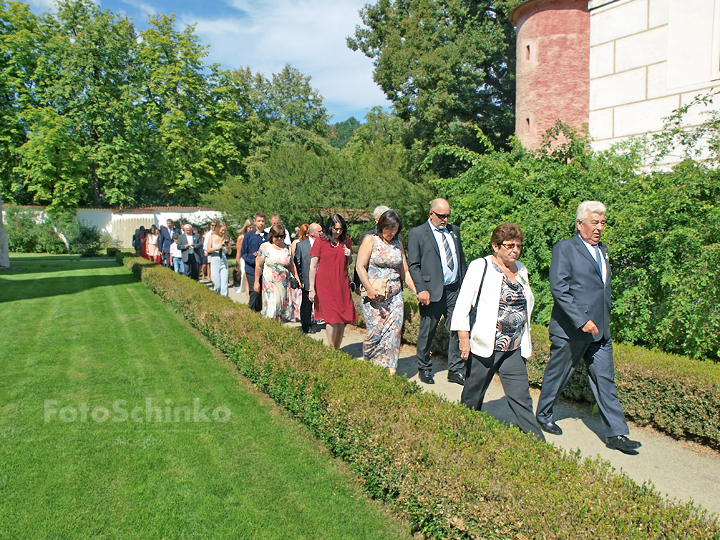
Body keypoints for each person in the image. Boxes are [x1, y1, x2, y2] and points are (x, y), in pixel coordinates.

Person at [536, 201, 642, 454]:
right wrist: (582, 320)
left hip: (601, 332)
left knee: (606, 381)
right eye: (594, 222)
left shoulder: (603, 250)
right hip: (572, 329)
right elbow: (559, 289)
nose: (599, 228)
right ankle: (543, 414)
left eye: (603, 223)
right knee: (558, 374)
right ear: (579, 223)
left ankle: (616, 434)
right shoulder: (565, 249)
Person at [450, 223, 545, 440]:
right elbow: (463, 304)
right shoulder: (480, 266)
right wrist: (464, 339)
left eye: (518, 246)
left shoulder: (521, 269)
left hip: (513, 347)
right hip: (485, 345)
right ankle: (462, 436)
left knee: (521, 398)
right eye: (509, 245)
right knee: (473, 395)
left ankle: (538, 444)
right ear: (495, 246)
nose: (515, 250)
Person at [407, 198, 467, 385]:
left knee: (457, 329)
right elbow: (413, 265)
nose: (445, 220)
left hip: (454, 290)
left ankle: (455, 370)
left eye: (448, 215)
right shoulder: (417, 233)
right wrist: (421, 289)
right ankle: (424, 368)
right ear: (431, 213)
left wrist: (465, 286)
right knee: (427, 331)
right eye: (441, 216)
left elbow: (460, 260)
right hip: (431, 291)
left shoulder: (453, 231)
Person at [356, 210, 416, 375]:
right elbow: (360, 266)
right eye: (388, 229)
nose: (391, 233)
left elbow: (404, 271)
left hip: (395, 296)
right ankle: (370, 360)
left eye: (395, 229)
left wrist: (415, 289)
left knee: (394, 332)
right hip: (374, 296)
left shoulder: (398, 243)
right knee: (375, 333)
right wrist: (368, 288)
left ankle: (390, 368)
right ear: (381, 225)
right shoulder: (371, 240)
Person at [309, 214, 357, 349]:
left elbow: (348, 262)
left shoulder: (345, 240)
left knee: (342, 319)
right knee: (331, 317)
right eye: (335, 229)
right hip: (325, 284)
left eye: (340, 229)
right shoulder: (321, 241)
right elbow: (312, 266)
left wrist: (349, 256)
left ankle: (336, 348)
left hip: (341, 283)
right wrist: (311, 288)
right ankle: (331, 349)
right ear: (329, 227)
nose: (338, 232)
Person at [254, 224, 294, 320]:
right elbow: (258, 264)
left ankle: (275, 328)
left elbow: (291, 266)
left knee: (279, 308)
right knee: (273, 304)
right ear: (271, 235)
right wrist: (256, 282)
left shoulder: (287, 248)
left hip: (283, 283)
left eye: (281, 236)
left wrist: (296, 278)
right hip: (269, 281)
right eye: (276, 236)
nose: (279, 239)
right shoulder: (265, 247)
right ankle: (268, 325)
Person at [353, 205, 391, 291]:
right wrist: (357, 283)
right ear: (377, 220)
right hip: (373, 284)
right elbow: (359, 262)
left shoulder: (397, 237)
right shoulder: (367, 237)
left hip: (392, 285)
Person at [294, 223, 322, 334]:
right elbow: (298, 263)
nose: (321, 233)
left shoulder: (324, 244)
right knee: (307, 304)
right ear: (311, 232)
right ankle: (306, 326)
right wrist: (300, 280)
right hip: (306, 278)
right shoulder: (301, 245)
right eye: (319, 231)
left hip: (321, 278)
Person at [241, 212, 267, 312]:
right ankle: (251, 312)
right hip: (251, 269)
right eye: (259, 221)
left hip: (263, 269)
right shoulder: (248, 236)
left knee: (261, 293)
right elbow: (244, 253)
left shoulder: (267, 236)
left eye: (263, 221)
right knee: (254, 291)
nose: (261, 223)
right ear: (255, 222)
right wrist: (253, 260)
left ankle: (258, 312)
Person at [289, 223, 309, 322]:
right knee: (299, 298)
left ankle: (310, 318)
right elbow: (295, 262)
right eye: (305, 234)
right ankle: (299, 317)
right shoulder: (296, 243)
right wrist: (297, 277)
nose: (307, 236)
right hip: (298, 273)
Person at [208, 222, 232, 297]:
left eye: (225, 230)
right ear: (218, 228)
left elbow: (229, 253)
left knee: (224, 284)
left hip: (223, 260)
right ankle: (216, 299)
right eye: (222, 230)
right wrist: (217, 247)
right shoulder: (212, 237)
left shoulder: (226, 238)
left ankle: (225, 300)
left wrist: (228, 246)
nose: (223, 232)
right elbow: (208, 250)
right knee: (217, 285)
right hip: (215, 260)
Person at [235, 219, 254, 298]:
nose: (251, 229)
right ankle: (249, 299)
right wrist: (237, 264)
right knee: (246, 278)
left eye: (252, 227)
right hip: (244, 259)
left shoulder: (254, 236)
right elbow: (238, 252)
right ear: (245, 227)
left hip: (252, 259)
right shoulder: (241, 237)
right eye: (249, 227)